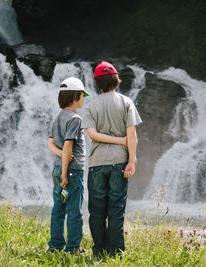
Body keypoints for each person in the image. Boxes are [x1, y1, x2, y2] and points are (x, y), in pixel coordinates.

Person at [83, 61, 142, 256]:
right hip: (119, 162)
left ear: (97, 83)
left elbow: (92, 134)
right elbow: (131, 136)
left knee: (97, 210)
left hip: (97, 163)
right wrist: (131, 161)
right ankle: (116, 252)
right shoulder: (126, 102)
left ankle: (99, 250)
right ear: (116, 80)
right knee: (116, 209)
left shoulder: (92, 105)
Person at [46, 77, 90, 254]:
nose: (84, 99)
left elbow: (50, 144)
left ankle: (55, 246)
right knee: (74, 210)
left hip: (58, 168)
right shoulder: (75, 119)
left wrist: (61, 157)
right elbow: (68, 146)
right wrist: (65, 173)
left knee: (58, 207)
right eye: (83, 95)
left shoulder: (58, 118)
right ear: (77, 95)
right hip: (71, 171)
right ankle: (72, 248)